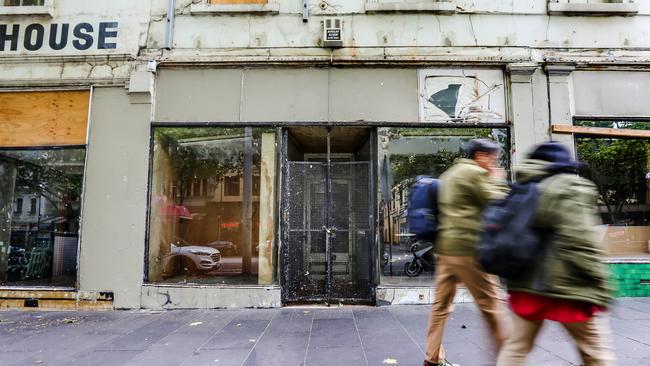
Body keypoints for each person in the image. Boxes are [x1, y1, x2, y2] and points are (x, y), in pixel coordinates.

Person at [496, 141, 615, 366]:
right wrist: (600, 282)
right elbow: (581, 241)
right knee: (596, 353)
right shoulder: (569, 186)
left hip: (526, 284)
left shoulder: (521, 187)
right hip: (568, 287)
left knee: (516, 349)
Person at [424, 139, 511, 366]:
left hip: (445, 250)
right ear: (481, 155)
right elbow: (499, 202)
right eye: (493, 157)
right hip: (469, 250)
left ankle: (432, 359)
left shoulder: (449, 175)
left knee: (440, 307)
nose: (494, 162)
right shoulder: (475, 174)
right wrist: (498, 180)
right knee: (492, 306)